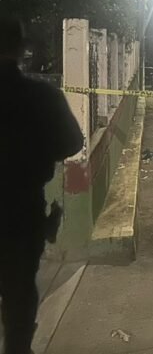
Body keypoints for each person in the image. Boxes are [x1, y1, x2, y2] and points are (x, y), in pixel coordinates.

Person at [0, 18, 84, 354]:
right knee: (19, 294)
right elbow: (72, 143)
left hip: (22, 213)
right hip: (20, 214)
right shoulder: (41, 96)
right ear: (22, 49)